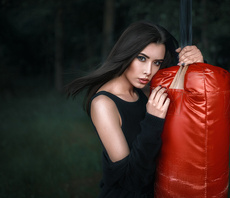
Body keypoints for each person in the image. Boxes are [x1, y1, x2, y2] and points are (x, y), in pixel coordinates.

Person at [66, 21, 203, 198]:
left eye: (157, 62)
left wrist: (198, 62)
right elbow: (131, 181)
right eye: (142, 58)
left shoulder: (144, 90)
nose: (149, 71)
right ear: (126, 53)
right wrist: (153, 120)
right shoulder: (103, 104)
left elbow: (186, 84)